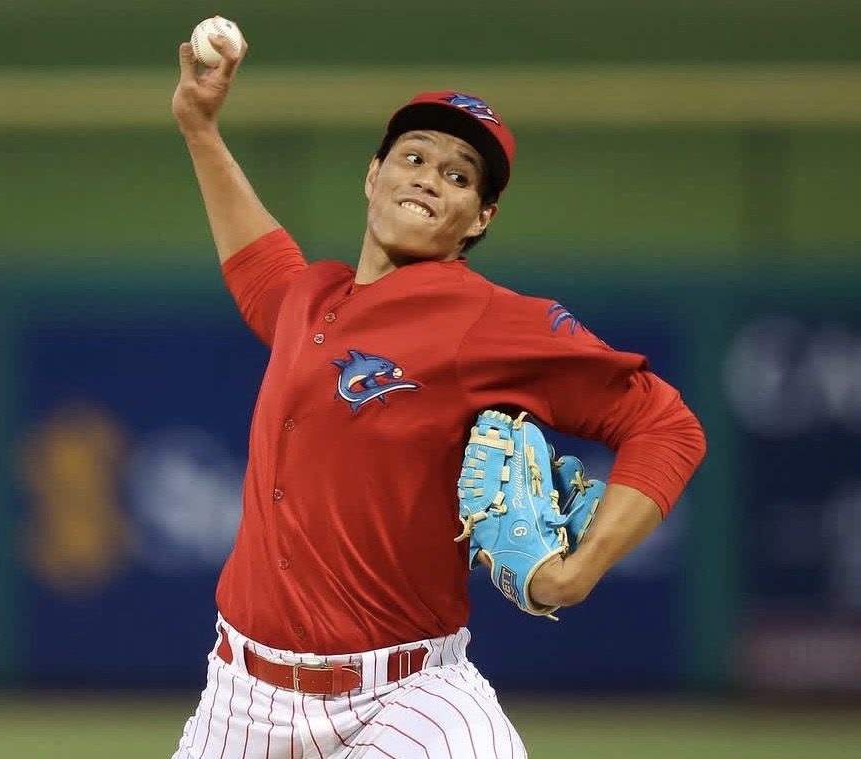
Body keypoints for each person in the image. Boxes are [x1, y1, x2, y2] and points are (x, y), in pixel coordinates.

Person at [170, 29, 707, 759]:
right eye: (414, 157)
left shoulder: (487, 319)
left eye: (459, 176)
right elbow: (260, 268)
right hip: (240, 697)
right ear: (373, 175)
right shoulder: (313, 297)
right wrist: (200, 129)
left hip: (406, 698)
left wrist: (579, 573)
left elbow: (665, 422)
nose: (428, 178)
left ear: (481, 218)